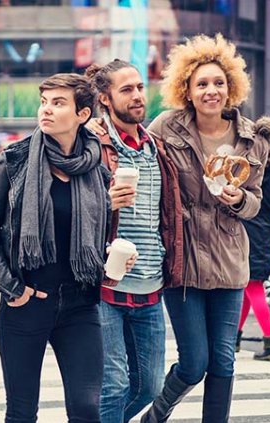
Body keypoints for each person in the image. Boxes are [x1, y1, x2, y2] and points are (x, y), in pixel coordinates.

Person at [139, 34, 270, 423]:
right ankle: (154, 417)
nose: (211, 90)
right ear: (187, 89)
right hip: (183, 261)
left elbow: (256, 202)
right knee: (194, 362)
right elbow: (142, 164)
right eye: (202, 84)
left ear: (231, 87)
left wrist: (238, 200)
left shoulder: (252, 140)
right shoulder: (166, 128)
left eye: (218, 83)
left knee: (224, 361)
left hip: (230, 260)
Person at [0, 73, 115, 423]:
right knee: (22, 413)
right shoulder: (16, 160)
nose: (46, 110)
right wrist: (13, 288)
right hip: (27, 305)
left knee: (87, 409)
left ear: (82, 114)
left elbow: (101, 235)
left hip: (80, 305)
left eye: (58, 103)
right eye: (44, 102)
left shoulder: (97, 168)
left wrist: (112, 258)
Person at [84, 60, 183, 423]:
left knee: (149, 387)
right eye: (127, 89)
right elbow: (71, 203)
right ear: (105, 99)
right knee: (112, 385)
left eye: (140, 87)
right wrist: (104, 201)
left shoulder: (156, 146)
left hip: (151, 285)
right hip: (106, 286)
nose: (138, 95)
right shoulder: (92, 141)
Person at [238, 150, 270, 360]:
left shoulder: (248, 176)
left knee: (253, 287)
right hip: (268, 236)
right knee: (248, 287)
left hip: (249, 235)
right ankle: (234, 338)